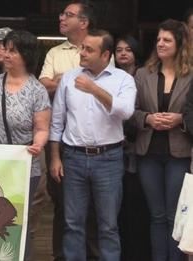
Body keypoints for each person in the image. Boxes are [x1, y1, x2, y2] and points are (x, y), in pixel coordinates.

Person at [50, 29, 136, 261]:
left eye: (89, 49)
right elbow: (57, 121)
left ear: (106, 55)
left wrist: (94, 89)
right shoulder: (69, 77)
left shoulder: (123, 79)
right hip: (73, 157)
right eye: (82, 48)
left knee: (108, 225)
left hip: (108, 158)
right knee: (72, 223)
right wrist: (55, 157)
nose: (83, 52)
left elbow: (126, 111)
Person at [0, 30, 51, 260]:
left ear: (26, 55)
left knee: (19, 223)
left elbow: (41, 129)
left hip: (24, 166)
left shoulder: (37, 90)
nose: (5, 54)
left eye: (12, 50)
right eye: (5, 49)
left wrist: (37, 145)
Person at [38, 1, 100, 260]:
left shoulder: (100, 47)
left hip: (95, 137)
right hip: (62, 137)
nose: (61, 18)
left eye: (68, 15)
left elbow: (105, 85)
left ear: (84, 22)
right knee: (63, 204)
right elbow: (43, 84)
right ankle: (61, 256)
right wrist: (62, 80)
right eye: (62, 14)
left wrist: (65, 79)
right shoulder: (55, 52)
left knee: (95, 209)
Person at [131, 19, 192, 261]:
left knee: (174, 216)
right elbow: (130, 112)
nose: (160, 44)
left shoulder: (191, 74)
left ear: (180, 44)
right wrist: (147, 119)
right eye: (158, 39)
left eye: (167, 40)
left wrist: (181, 119)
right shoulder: (142, 73)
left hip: (180, 153)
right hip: (148, 154)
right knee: (156, 216)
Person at [113, 34, 151, 261]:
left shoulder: (146, 76)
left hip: (138, 148)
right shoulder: (110, 78)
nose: (124, 53)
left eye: (128, 49)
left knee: (138, 205)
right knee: (118, 209)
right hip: (113, 150)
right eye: (119, 50)